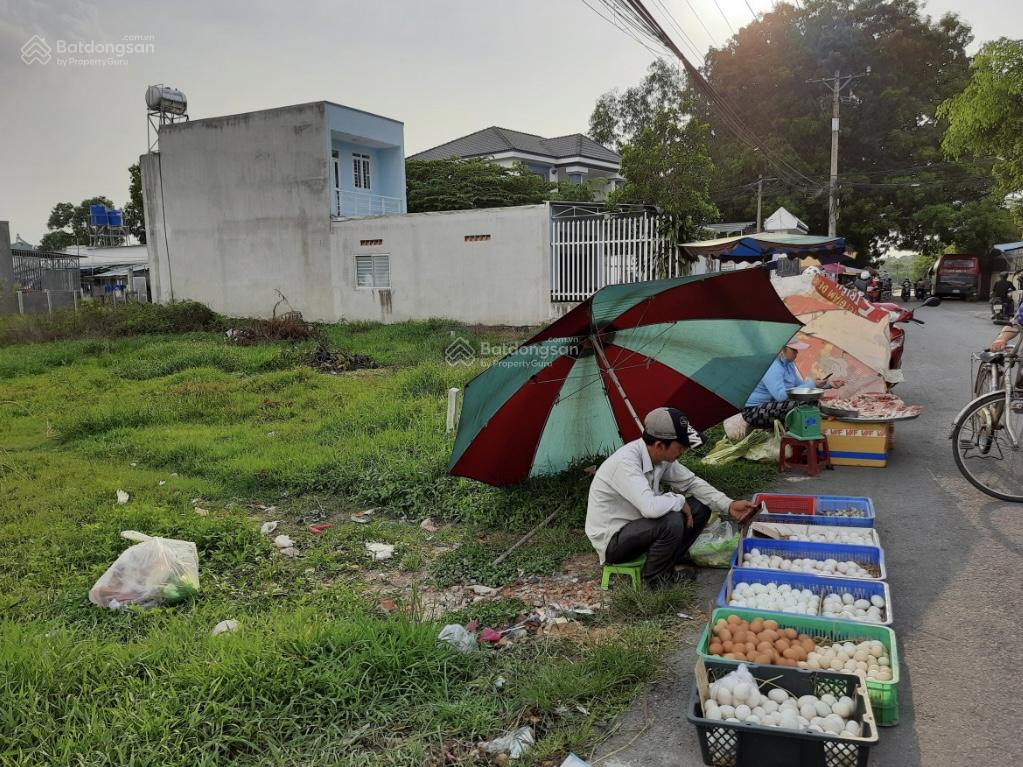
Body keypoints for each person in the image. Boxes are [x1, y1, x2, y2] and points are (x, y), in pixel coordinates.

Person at [585, 407, 757, 589]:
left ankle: (667, 559)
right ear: (660, 445)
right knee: (671, 520)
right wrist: (678, 500)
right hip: (614, 541)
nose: (684, 451)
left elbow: (691, 482)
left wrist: (729, 505)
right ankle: (656, 581)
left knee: (701, 506)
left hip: (640, 527)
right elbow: (650, 508)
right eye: (680, 447)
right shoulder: (626, 462)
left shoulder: (660, 458)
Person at [742, 338, 845, 428]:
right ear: (782, 349)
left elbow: (799, 386)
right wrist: (813, 384)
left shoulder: (789, 365)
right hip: (754, 411)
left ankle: (809, 429)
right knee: (805, 403)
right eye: (794, 350)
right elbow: (780, 396)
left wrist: (828, 385)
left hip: (772, 405)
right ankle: (807, 429)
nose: (797, 353)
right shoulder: (772, 366)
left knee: (811, 401)